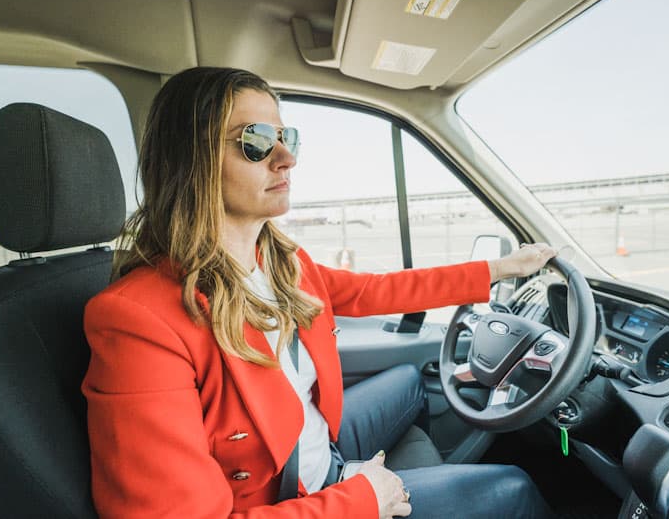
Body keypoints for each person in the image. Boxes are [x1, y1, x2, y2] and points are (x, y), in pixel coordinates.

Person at [82, 67, 556, 518]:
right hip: (290, 496)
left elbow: (380, 290)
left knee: (411, 380)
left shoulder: (283, 263)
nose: (285, 157)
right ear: (191, 161)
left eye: (286, 137)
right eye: (256, 142)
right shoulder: (138, 320)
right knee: (511, 487)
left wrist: (497, 269)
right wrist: (363, 500)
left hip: (315, 451)